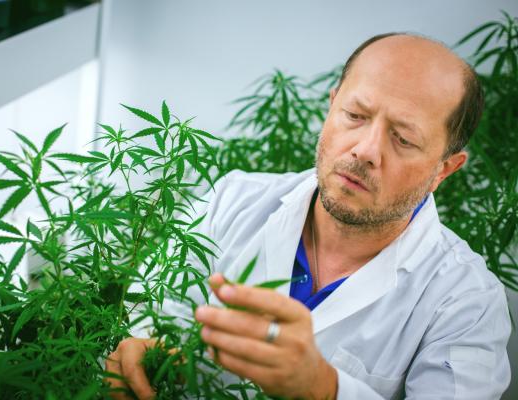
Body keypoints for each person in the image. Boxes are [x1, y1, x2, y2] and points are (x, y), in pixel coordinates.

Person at [104, 32, 512, 399]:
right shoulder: (231, 200)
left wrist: (324, 388)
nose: (365, 150)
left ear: (444, 168)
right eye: (355, 116)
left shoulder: (467, 303)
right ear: (332, 106)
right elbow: (150, 312)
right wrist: (142, 349)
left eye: (403, 138)